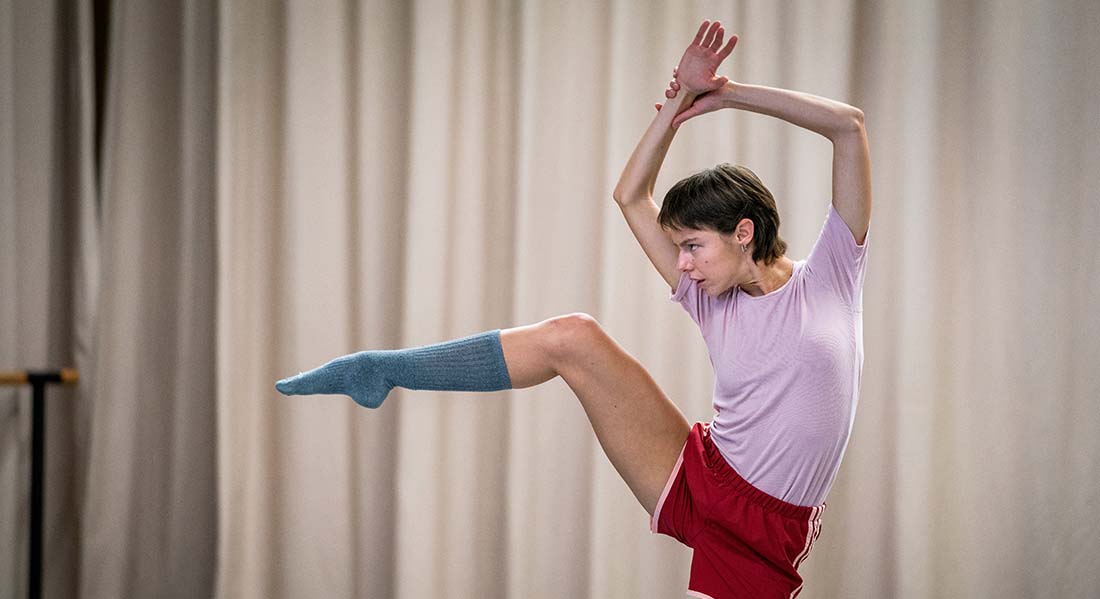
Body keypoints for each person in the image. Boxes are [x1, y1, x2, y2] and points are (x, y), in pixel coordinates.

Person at [276, 19, 870, 599]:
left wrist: (730, 95)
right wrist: (682, 98)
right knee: (573, 336)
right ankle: (381, 369)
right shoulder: (708, 295)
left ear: (743, 232)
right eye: (679, 248)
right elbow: (630, 195)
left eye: (693, 246)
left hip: (765, 531)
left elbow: (847, 127)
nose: (681, 263)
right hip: (701, 473)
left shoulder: (832, 277)